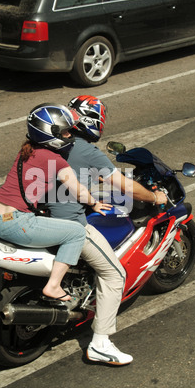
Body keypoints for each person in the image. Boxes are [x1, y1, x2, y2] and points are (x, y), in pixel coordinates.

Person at [47, 95, 167, 365]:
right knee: (115, 275)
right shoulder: (85, 150)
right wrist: (154, 197)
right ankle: (100, 343)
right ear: (93, 121)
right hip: (66, 223)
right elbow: (122, 185)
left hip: (35, 215)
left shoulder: (47, 143)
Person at [0, 103, 110, 304]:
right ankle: (53, 285)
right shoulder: (56, 160)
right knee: (76, 232)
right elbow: (78, 191)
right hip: (15, 222)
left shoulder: (26, 150)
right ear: (51, 134)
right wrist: (94, 203)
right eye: (67, 132)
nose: (70, 136)